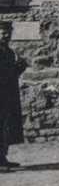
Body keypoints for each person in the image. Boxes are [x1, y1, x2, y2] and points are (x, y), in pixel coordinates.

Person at [0, 20, 27, 170]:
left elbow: (10, 75)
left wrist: (19, 68)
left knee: (5, 127)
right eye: (3, 32)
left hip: (7, 95)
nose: (6, 35)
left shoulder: (8, 52)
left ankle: (2, 158)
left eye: (8, 32)